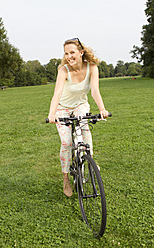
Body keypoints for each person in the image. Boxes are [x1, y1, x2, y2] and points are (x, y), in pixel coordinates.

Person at [48, 38, 109, 197]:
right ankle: (66, 178)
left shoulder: (92, 68)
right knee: (67, 141)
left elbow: (95, 91)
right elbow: (57, 93)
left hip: (80, 105)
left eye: (72, 52)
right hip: (62, 108)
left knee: (84, 125)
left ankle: (90, 161)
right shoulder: (63, 70)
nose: (69, 56)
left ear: (81, 52)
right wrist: (52, 113)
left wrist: (102, 109)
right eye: (66, 53)